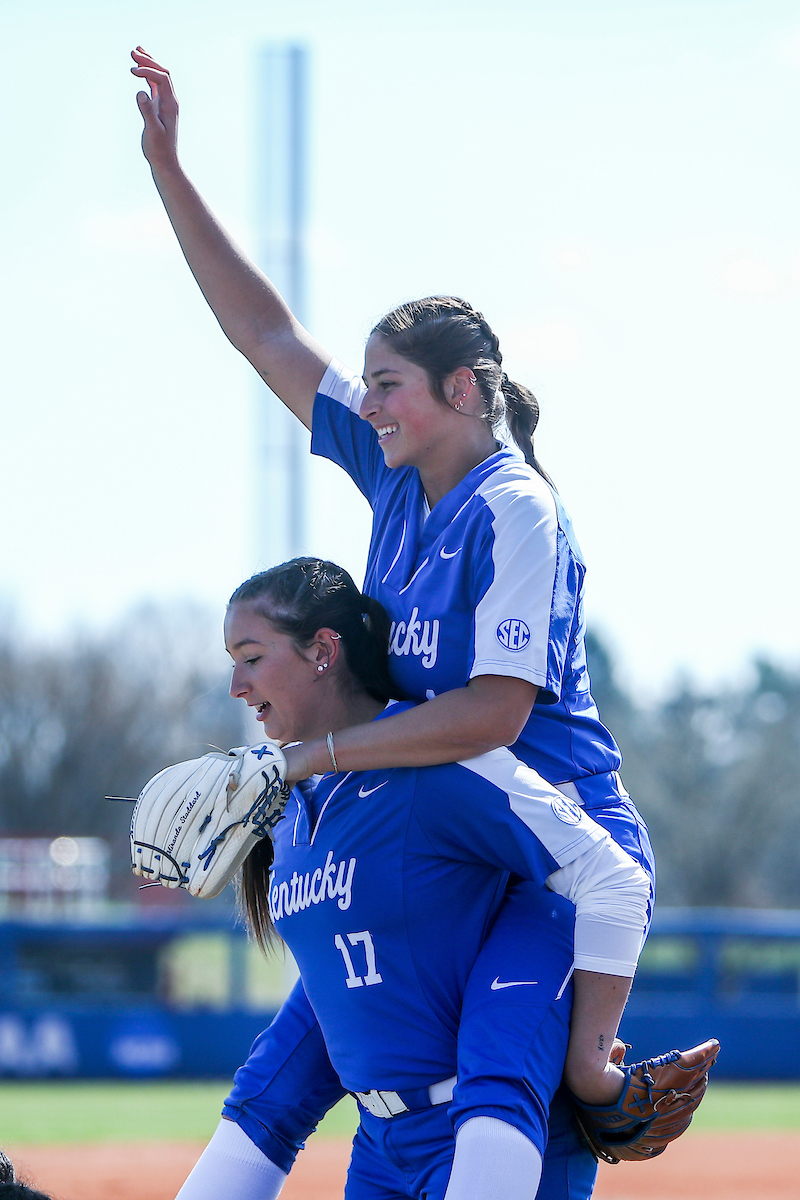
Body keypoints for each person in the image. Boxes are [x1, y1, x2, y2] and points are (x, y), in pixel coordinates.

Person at [130, 46, 656, 1186]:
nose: (362, 402)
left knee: (547, 1090)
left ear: (460, 391)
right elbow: (265, 339)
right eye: (363, 384)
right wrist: (169, 169)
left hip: (539, 836)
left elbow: (493, 716)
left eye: (385, 384)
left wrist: (313, 756)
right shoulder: (392, 475)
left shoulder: (516, 513)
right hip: (428, 822)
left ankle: (601, 1075)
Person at [174, 558, 650, 1200]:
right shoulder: (284, 807)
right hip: (380, 1149)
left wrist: (589, 1058)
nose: (236, 683)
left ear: (322, 651)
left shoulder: (438, 765)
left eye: (252, 657)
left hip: (493, 1133)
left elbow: (613, 878)